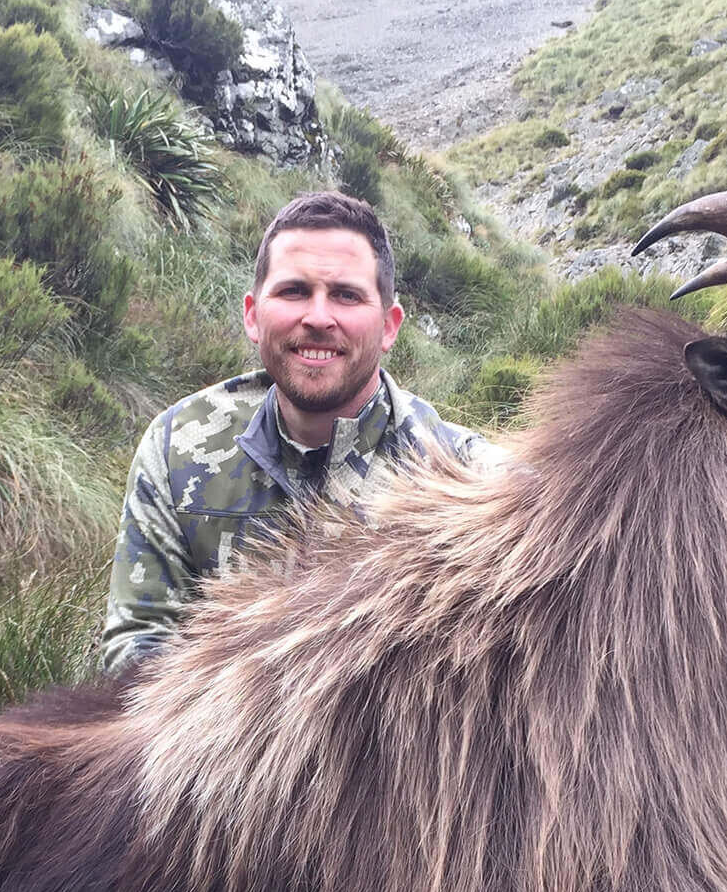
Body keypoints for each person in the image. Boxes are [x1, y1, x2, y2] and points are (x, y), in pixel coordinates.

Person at [100, 191, 497, 674]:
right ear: (252, 315)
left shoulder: (470, 480)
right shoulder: (177, 448)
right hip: (212, 743)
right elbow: (137, 650)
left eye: (346, 295)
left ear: (390, 326)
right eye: (293, 291)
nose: (317, 317)